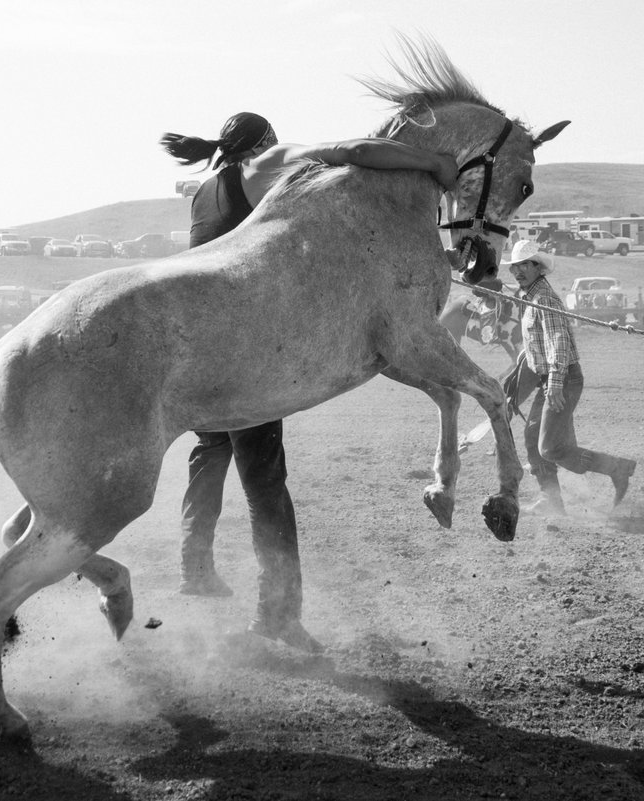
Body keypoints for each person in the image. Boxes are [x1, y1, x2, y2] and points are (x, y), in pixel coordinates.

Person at [161, 112, 460, 652]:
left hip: (198, 346)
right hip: (246, 347)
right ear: (265, 142)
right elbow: (352, 150)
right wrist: (432, 162)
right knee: (266, 487)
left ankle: (195, 565)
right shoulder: (267, 162)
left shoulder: (206, 189)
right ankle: (277, 614)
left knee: (208, 456)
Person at [501, 240, 637, 515]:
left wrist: (554, 384)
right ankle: (551, 500)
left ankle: (617, 468)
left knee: (550, 448)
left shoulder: (545, 299)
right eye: (515, 267)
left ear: (538, 267)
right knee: (532, 438)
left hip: (563, 379)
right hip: (552, 377)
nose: (518, 272)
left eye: (525, 265)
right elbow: (536, 344)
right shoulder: (529, 298)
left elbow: (558, 341)